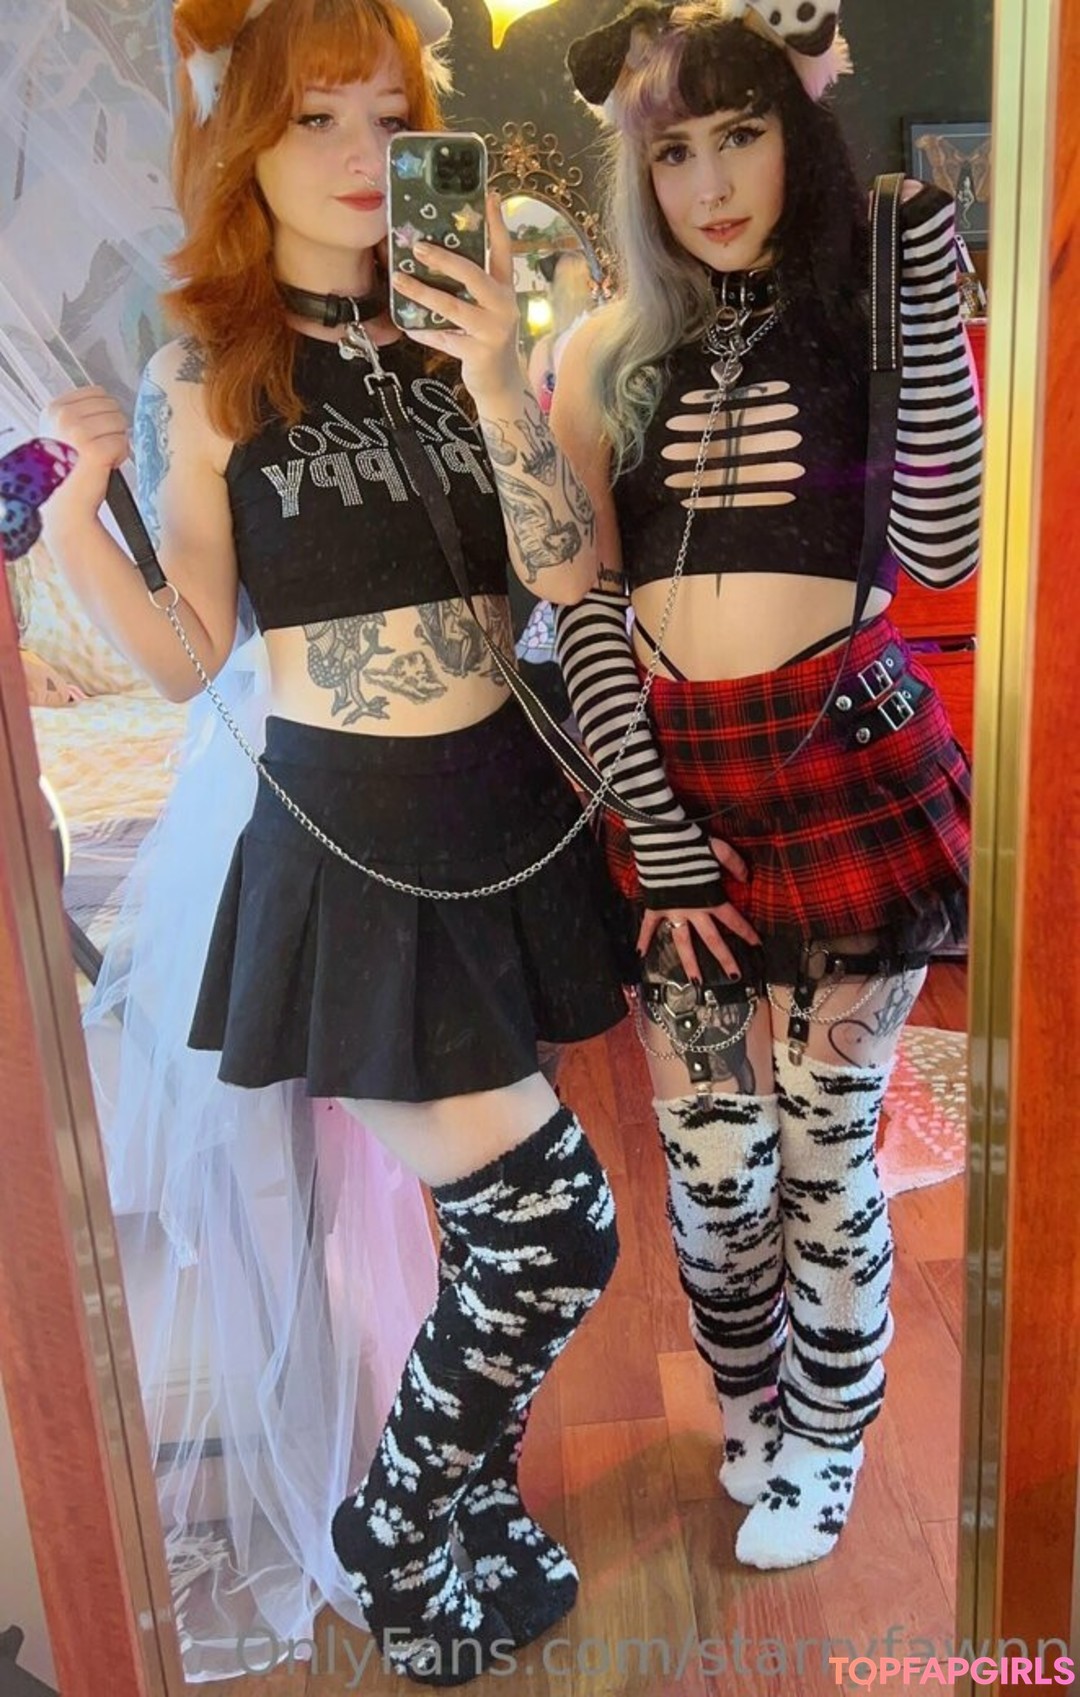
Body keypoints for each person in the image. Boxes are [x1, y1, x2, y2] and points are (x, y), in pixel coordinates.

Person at [40, 0, 635, 1682]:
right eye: (318, 119)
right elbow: (187, 654)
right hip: (350, 850)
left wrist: (500, 371)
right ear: (244, 144)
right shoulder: (207, 371)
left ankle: (465, 1504)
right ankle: (394, 1525)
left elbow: (567, 571)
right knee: (555, 1228)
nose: (366, 154)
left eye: (392, 114)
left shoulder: (463, 329)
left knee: (486, 1230)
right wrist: (80, 530)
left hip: (504, 825)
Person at [552, 0, 981, 1571]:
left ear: (798, 128)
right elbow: (580, 605)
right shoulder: (602, 350)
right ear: (638, 169)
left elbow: (942, 546)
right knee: (713, 1165)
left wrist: (919, 285)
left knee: (823, 1146)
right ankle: (749, 1399)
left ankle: (832, 1434)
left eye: (742, 135)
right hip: (678, 781)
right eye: (675, 151)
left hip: (846, 759)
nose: (714, 182)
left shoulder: (862, 315)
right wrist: (657, 832)